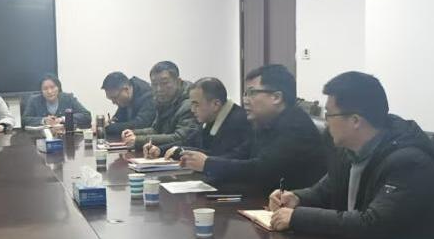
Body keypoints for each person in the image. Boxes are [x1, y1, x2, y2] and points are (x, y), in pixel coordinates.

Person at [266, 72, 434, 239]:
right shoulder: (349, 151)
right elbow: (325, 190)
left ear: (355, 120)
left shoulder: (409, 163)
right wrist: (296, 198)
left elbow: (372, 224)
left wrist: (297, 218)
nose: (326, 123)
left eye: (329, 115)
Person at [195, 64, 328, 194]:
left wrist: (209, 164)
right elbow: (241, 154)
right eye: (245, 93)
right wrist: (204, 161)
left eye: (252, 93)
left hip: (289, 203)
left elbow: (262, 169)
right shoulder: (265, 122)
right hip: (266, 195)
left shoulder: (296, 126)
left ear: (276, 97)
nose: (245, 100)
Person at [144, 77, 251, 164]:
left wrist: (181, 151)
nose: (192, 110)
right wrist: (159, 150)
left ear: (216, 104)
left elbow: (219, 156)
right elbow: (189, 142)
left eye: (196, 104)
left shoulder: (237, 122)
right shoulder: (210, 117)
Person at [120, 61, 197, 150]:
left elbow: (180, 138)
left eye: (164, 83)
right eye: (154, 84)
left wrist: (138, 140)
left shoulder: (190, 104)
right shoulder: (162, 99)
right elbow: (156, 129)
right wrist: (133, 133)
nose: (159, 89)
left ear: (178, 81)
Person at [20, 73, 92, 129]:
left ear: (58, 88)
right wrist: (44, 120)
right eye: (45, 89)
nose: (49, 91)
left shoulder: (68, 98)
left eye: (52, 87)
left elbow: (86, 115)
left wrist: (62, 119)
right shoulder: (34, 100)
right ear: (41, 91)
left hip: (66, 138)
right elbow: (24, 120)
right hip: (42, 137)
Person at [101, 71, 155, 138]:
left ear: (126, 89)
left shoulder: (148, 96)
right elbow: (118, 119)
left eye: (114, 98)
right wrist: (108, 124)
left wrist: (107, 128)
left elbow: (140, 124)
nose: (113, 102)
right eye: (110, 99)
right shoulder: (125, 99)